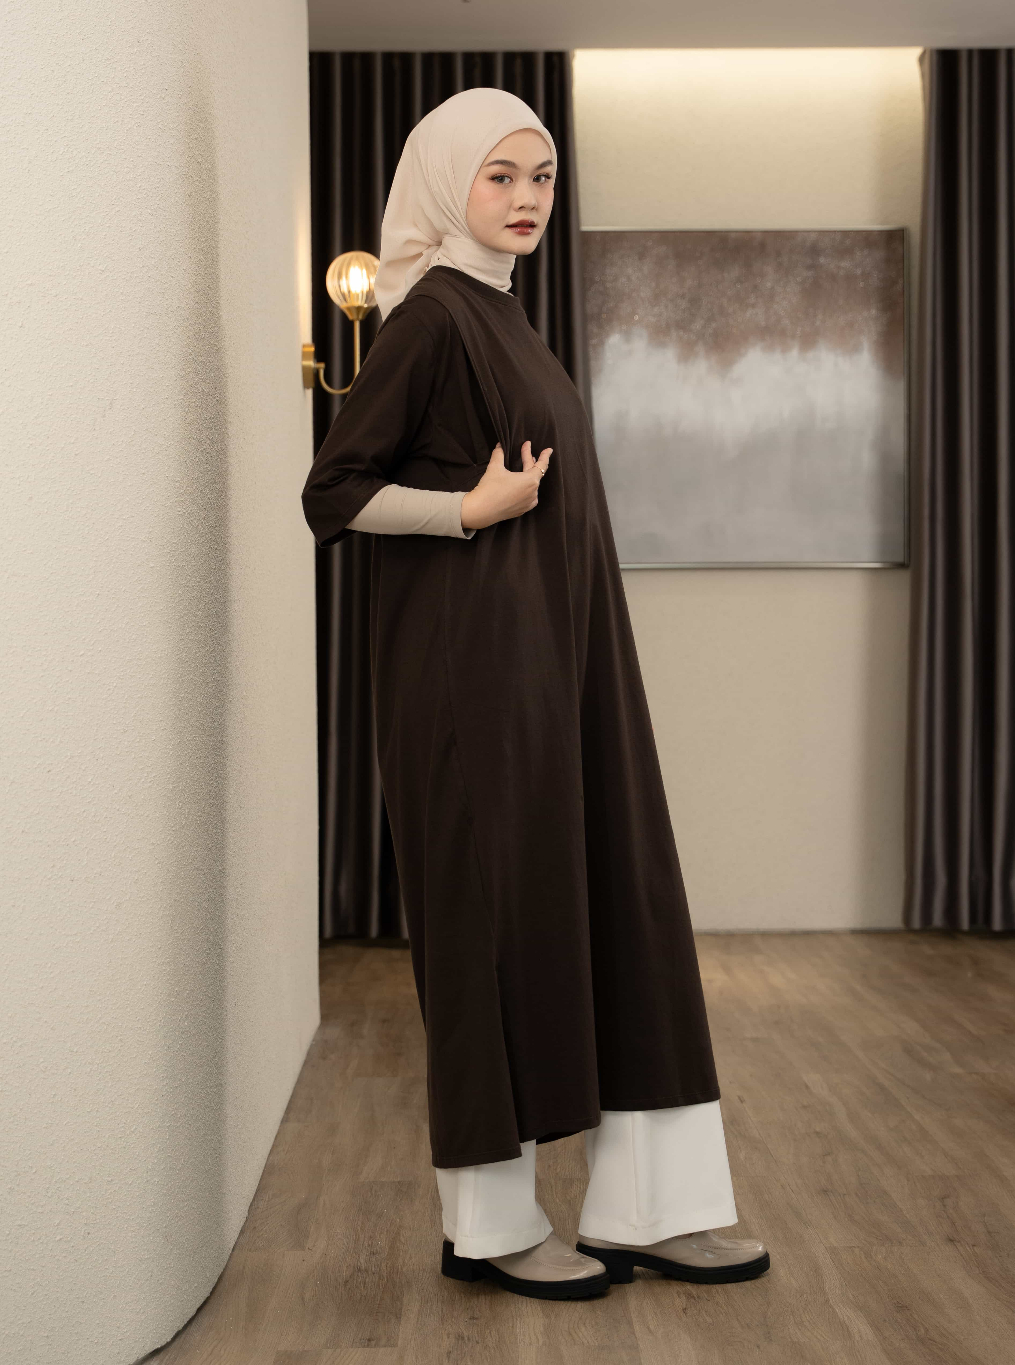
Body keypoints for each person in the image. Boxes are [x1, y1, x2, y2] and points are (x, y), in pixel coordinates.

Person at [301, 87, 769, 1301]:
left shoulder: (504, 313)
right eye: (499, 176)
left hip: (564, 663)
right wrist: (469, 509)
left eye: (542, 178)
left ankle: (655, 1207)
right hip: (470, 679)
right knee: (489, 925)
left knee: (626, 905)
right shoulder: (427, 316)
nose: (525, 200)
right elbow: (331, 491)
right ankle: (490, 1225)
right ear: (445, 181)